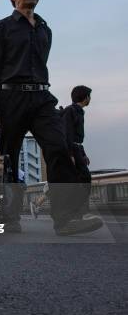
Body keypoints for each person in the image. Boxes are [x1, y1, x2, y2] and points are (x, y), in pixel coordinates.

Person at [0, 0, 102, 235]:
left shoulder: (45, 28)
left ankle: (65, 219)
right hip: (10, 98)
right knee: (8, 159)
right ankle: (8, 218)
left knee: (59, 147)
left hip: (42, 98)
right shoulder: (0, 29)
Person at [62, 85, 92, 217]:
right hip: (72, 149)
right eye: (89, 96)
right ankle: (76, 211)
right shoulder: (70, 111)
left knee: (80, 179)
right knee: (83, 178)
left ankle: (78, 211)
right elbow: (67, 134)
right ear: (85, 97)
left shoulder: (79, 111)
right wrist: (70, 154)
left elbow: (77, 137)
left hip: (78, 148)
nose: (90, 98)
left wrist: (83, 154)